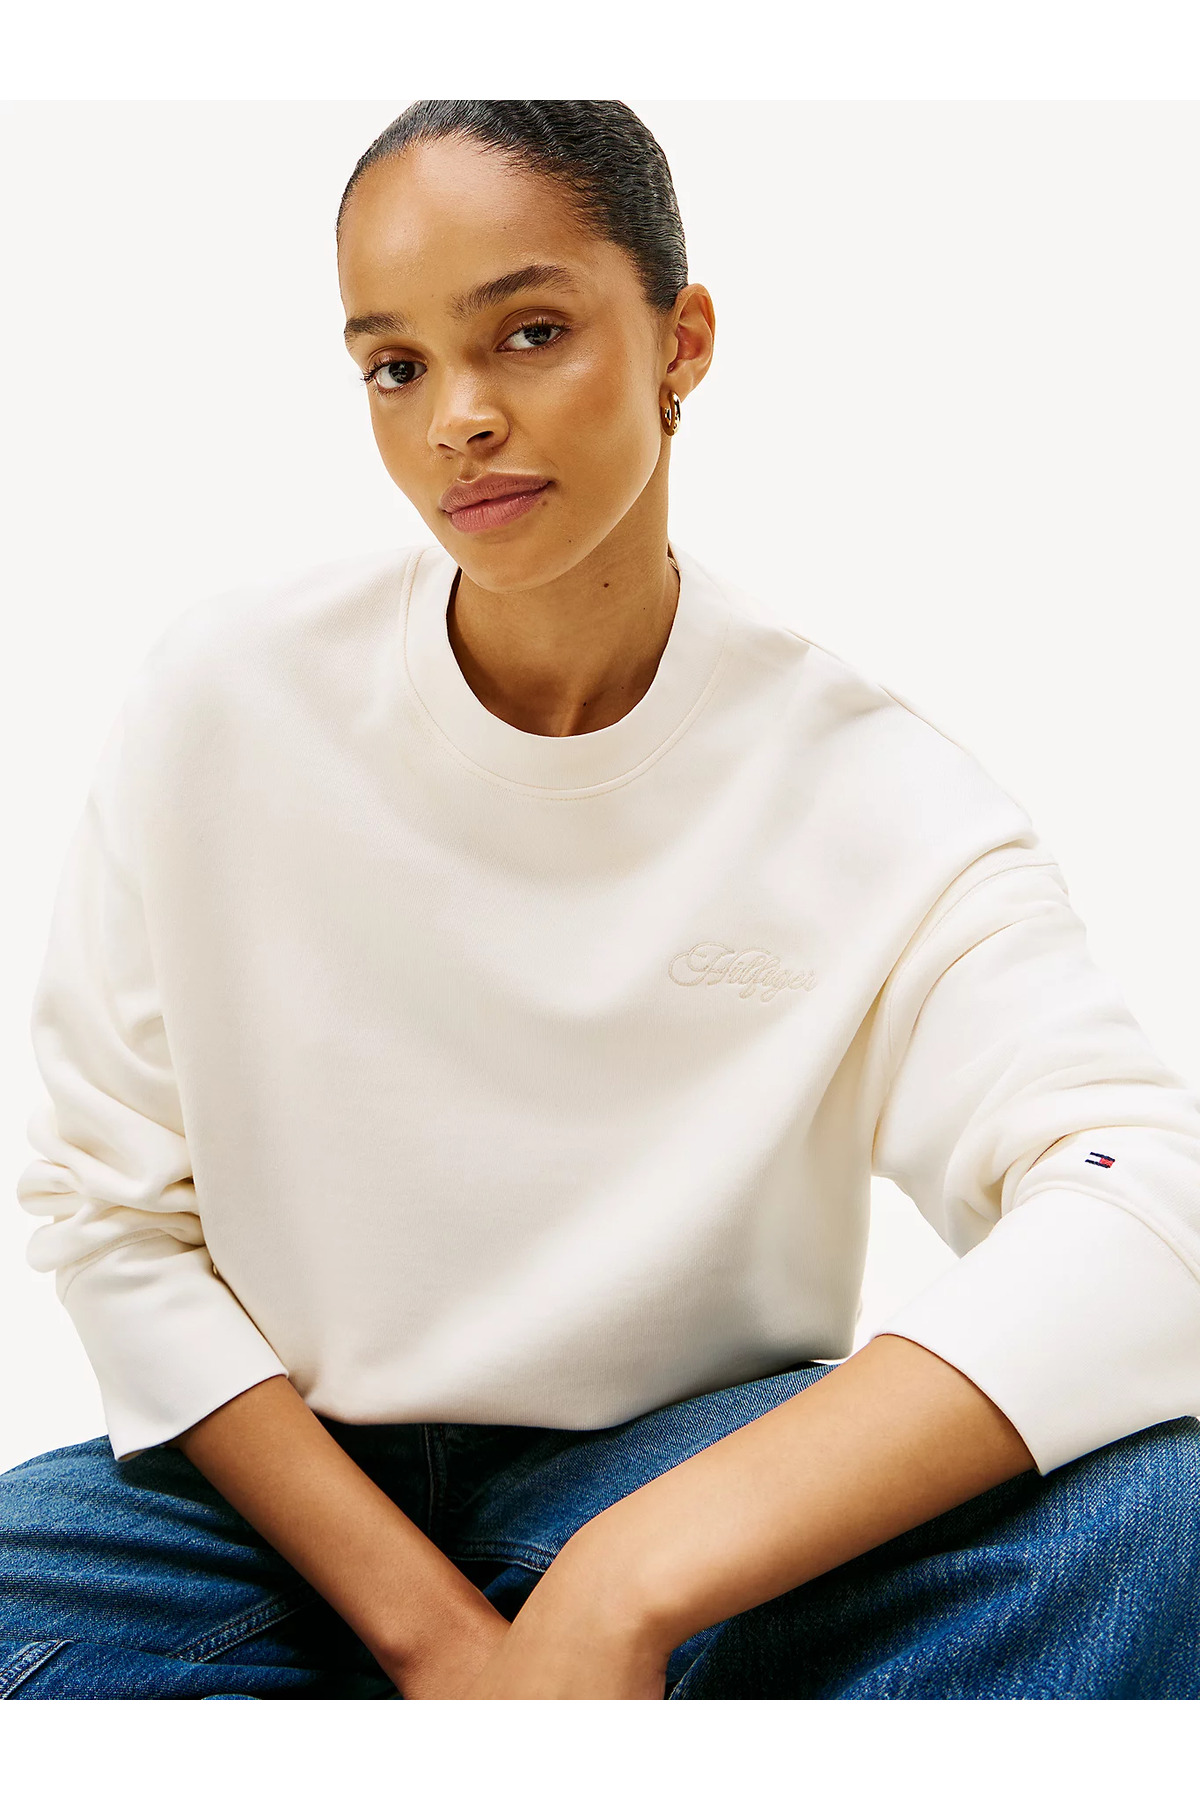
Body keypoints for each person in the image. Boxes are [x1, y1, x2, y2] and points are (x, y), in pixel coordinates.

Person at [2, 98, 1199, 1703]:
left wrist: (633, 1580)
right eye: (395, 366)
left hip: (687, 1478)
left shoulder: (872, 796)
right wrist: (439, 1640)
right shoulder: (226, 701)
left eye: (531, 333)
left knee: (1157, 1516)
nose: (459, 419)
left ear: (680, 340)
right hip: (268, 1508)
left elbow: (1150, 1203)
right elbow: (110, 1215)